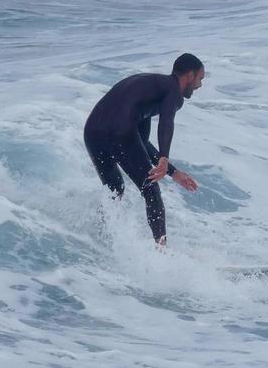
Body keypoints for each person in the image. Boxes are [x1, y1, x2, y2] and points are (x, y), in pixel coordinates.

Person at [84, 54, 204, 246]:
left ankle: (100, 237)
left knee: (115, 189)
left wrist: (173, 173)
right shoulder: (173, 91)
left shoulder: (147, 91)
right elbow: (166, 121)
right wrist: (164, 156)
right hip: (119, 130)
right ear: (190, 75)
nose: (199, 85)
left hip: (92, 132)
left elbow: (140, 143)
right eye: (200, 78)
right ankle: (162, 252)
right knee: (151, 190)